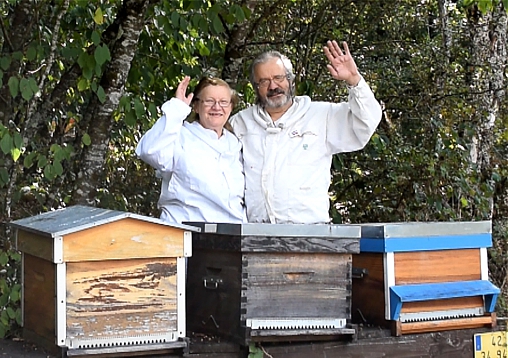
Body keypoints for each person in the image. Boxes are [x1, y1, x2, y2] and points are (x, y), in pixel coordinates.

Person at [229, 40, 382, 224]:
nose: (273, 86)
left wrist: (354, 80)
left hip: (310, 233)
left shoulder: (320, 115)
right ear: (255, 87)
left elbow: (366, 123)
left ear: (291, 80)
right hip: (256, 234)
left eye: (278, 78)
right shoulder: (240, 123)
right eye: (264, 81)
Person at [136, 76, 247, 224]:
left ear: (231, 107)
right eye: (209, 101)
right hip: (186, 234)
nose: (216, 107)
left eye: (223, 102)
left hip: (230, 237)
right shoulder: (180, 136)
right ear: (196, 106)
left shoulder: (236, 144)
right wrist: (177, 109)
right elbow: (149, 151)